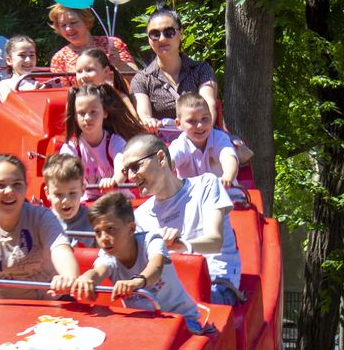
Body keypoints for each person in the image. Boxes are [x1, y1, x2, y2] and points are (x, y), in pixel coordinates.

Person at [119, 134, 243, 305]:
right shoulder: (140, 216)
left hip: (214, 283)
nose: (131, 176)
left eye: (135, 167)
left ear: (160, 158)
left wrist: (177, 244)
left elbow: (214, 241)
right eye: (126, 171)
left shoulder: (206, 185)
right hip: (172, 289)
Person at [71, 191, 203, 331]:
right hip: (144, 323)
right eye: (98, 232)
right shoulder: (108, 256)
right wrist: (86, 279)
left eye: (110, 229)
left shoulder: (151, 241)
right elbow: (98, 271)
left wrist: (137, 282)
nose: (103, 238)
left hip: (181, 318)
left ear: (131, 228)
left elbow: (155, 266)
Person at [0, 154, 79, 300]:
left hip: (47, 302)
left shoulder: (42, 217)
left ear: (25, 188)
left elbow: (61, 251)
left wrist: (68, 277)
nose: (9, 191)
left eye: (17, 184)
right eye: (0, 185)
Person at [131, 7, 220, 131]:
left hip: (202, 135)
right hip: (162, 141)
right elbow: (144, 114)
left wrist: (201, 133)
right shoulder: (141, 79)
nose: (162, 39)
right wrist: (148, 122)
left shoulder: (202, 70)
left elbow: (209, 106)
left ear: (181, 33)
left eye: (169, 32)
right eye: (155, 34)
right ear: (148, 38)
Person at [59, 84, 145, 189]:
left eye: (93, 112)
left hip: (116, 196)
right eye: (81, 113)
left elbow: (122, 166)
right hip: (85, 197)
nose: (87, 118)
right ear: (75, 117)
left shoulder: (115, 141)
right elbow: (65, 172)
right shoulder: (72, 146)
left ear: (105, 113)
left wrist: (113, 181)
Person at [47, 5, 137, 81]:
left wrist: (120, 63)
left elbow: (136, 80)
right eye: (63, 25)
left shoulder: (113, 44)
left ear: (86, 22)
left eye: (73, 22)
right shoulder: (59, 58)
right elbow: (61, 92)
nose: (68, 29)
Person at [169, 92, 239, 187]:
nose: (200, 125)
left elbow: (228, 156)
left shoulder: (219, 138)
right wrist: (164, 172)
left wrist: (228, 176)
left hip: (224, 189)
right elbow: (169, 162)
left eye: (204, 118)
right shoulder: (180, 145)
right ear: (178, 124)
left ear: (211, 117)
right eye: (191, 121)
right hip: (192, 193)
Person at [73, 47, 145, 128]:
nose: (83, 76)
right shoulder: (74, 99)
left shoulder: (118, 97)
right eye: (79, 71)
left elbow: (132, 123)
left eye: (89, 70)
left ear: (106, 71)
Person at [43, 153, 92, 242]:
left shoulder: (93, 220)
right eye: (58, 194)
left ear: (82, 190)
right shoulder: (43, 222)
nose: (65, 200)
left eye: (72, 193)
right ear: (48, 193)